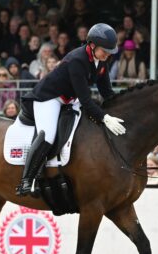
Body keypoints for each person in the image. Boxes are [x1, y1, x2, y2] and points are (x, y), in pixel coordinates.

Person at [16, 23, 123, 196]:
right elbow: (86, 101)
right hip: (49, 97)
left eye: (111, 52)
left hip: (69, 99)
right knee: (48, 135)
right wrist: (104, 118)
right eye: (106, 50)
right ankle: (27, 180)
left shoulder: (102, 61)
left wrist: (120, 109)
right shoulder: (77, 60)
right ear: (92, 45)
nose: (108, 54)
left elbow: (107, 93)